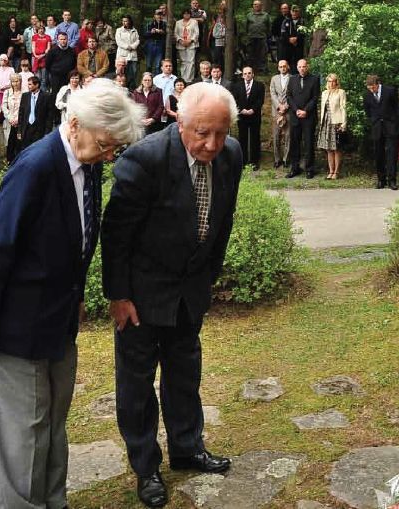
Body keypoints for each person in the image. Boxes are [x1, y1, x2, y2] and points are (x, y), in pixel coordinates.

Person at [0, 80, 144, 509]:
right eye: (105, 145)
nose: (109, 155)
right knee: (22, 434)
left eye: (115, 148)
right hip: (15, 327)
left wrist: (74, 294)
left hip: (56, 319)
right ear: (74, 124)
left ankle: (53, 502)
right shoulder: (36, 166)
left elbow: (74, 236)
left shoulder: (86, 161)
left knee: (52, 425)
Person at [101, 83, 243, 508]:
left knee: (185, 372)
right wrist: (118, 295)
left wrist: (208, 277)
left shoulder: (231, 155)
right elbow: (116, 234)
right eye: (203, 133)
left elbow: (223, 220)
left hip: (190, 290)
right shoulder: (145, 159)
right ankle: (146, 467)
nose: (212, 144)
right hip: (141, 294)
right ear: (179, 120)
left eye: (221, 133)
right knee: (137, 384)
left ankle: (187, 447)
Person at [363, 74, 399, 189]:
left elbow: (397, 108)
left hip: (390, 126)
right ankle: (381, 180)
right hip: (377, 127)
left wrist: (394, 122)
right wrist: (374, 121)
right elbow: (368, 111)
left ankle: (392, 180)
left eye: (373, 87)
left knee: (391, 154)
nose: (372, 90)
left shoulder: (390, 91)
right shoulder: (367, 95)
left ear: (378, 84)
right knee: (379, 154)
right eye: (369, 88)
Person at [286, 58, 320, 179]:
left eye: (304, 66)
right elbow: (289, 96)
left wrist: (306, 110)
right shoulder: (292, 79)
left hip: (309, 116)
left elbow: (315, 97)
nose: (302, 69)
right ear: (297, 67)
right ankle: (295, 168)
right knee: (294, 143)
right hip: (295, 116)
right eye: (300, 67)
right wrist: (296, 110)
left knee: (309, 143)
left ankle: (309, 169)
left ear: (307, 67)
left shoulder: (314, 79)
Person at [231, 66, 264, 169]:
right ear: (242, 75)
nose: (247, 75)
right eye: (245, 74)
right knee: (242, 138)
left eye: (249, 73)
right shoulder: (237, 86)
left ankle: (255, 161)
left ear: (253, 74)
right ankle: (243, 161)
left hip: (255, 115)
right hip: (242, 116)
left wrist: (253, 110)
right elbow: (234, 100)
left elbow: (260, 100)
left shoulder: (259, 85)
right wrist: (241, 110)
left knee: (255, 138)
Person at [317, 73, 347, 180]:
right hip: (326, 123)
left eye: (333, 81)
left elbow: (343, 108)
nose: (331, 83)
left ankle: (336, 172)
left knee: (336, 149)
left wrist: (344, 123)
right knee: (328, 148)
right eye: (329, 81)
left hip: (336, 122)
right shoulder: (324, 93)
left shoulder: (341, 92)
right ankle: (330, 171)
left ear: (336, 82)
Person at [18, 75, 53, 150]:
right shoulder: (25, 96)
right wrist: (19, 130)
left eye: (30, 84)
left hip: (39, 130)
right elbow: (21, 114)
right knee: (26, 150)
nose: (28, 86)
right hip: (26, 129)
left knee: (38, 150)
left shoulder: (46, 96)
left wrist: (47, 133)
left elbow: (49, 116)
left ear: (37, 85)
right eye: (28, 84)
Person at [269, 59, 292, 169]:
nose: (283, 68)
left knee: (288, 136)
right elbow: (272, 93)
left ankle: (286, 159)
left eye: (284, 66)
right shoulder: (274, 79)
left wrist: (286, 106)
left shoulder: (293, 78)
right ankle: (277, 159)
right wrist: (279, 106)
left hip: (288, 111)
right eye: (280, 66)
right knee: (276, 136)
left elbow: (293, 94)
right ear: (278, 68)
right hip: (276, 111)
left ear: (288, 67)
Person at [2, 73, 24, 164]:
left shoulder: (25, 92)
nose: (15, 83)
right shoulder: (7, 92)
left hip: (20, 121)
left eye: (17, 81)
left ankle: (19, 161)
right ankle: (9, 162)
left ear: (20, 81)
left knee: (19, 142)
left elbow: (25, 108)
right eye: (13, 81)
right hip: (9, 121)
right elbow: (4, 106)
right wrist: (10, 118)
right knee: (9, 142)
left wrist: (18, 119)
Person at [244, 0, 270, 72]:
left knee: (263, 54)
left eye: (258, 4)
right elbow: (246, 26)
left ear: (261, 6)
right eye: (255, 4)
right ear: (253, 6)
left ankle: (263, 69)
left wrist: (267, 34)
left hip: (262, 37)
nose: (256, 6)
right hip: (251, 37)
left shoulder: (266, 15)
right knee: (251, 54)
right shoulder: (249, 15)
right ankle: (251, 68)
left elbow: (268, 26)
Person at [175, 9, 199, 83]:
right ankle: (183, 78)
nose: (186, 15)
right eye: (185, 13)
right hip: (181, 44)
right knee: (183, 62)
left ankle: (189, 79)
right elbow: (175, 33)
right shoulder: (178, 22)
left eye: (188, 13)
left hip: (191, 44)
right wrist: (180, 41)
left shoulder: (194, 22)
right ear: (182, 14)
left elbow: (196, 33)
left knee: (191, 62)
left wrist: (190, 40)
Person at [144, 7, 168, 77]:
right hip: (150, 44)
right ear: (154, 16)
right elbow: (145, 34)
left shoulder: (164, 24)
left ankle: (157, 79)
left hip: (160, 44)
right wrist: (151, 32)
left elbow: (166, 34)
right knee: (149, 64)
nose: (159, 16)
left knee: (158, 65)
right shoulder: (149, 23)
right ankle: (148, 78)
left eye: (160, 15)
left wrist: (161, 32)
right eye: (157, 15)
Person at [116, 14, 140, 80]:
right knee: (122, 73)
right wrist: (127, 47)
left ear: (129, 21)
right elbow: (118, 41)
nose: (124, 22)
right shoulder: (119, 30)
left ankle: (132, 85)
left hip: (133, 54)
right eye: (123, 21)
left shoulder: (135, 30)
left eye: (126, 21)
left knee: (134, 72)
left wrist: (132, 47)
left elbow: (137, 40)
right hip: (123, 55)